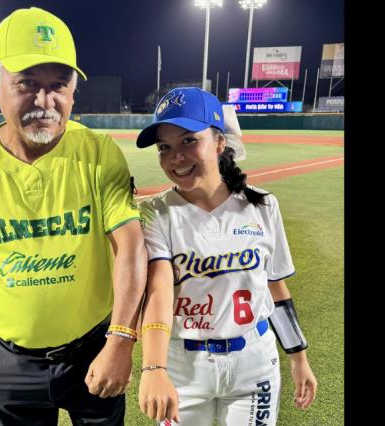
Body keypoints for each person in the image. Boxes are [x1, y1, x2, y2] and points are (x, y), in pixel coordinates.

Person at [0, 7, 147, 425]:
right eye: (27, 84)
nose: (44, 102)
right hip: (7, 362)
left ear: (73, 90)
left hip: (93, 350)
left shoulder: (98, 152)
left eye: (58, 86)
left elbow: (130, 245)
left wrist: (121, 341)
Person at [135, 87, 317, 425]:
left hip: (255, 363)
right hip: (183, 366)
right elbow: (158, 295)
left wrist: (299, 356)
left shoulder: (262, 205)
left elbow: (275, 289)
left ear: (220, 143)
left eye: (189, 140)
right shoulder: (156, 213)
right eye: (164, 147)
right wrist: (154, 368)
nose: (176, 157)